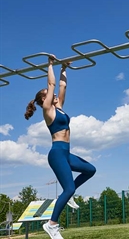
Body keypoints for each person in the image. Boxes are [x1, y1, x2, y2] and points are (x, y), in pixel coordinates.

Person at [25, 55, 96, 239]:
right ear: (44, 100)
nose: (55, 96)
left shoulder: (60, 107)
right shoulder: (48, 111)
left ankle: (69, 194)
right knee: (69, 188)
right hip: (57, 153)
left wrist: (64, 69)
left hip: (66, 153)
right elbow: (52, 86)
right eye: (50, 96)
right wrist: (50, 64)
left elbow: (62, 86)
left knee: (90, 170)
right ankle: (51, 224)